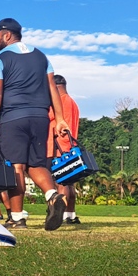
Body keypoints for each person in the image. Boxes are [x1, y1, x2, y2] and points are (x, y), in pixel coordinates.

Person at [0, 18, 69, 231]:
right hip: (40, 117)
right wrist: (59, 119)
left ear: (7, 35)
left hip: (13, 118)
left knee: (16, 167)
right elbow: (52, 87)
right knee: (36, 164)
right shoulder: (41, 56)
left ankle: (17, 217)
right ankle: (53, 195)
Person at [47, 74, 81, 224]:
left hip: (59, 146)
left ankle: (59, 214)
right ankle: (70, 215)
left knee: (60, 182)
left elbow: (49, 117)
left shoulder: (60, 101)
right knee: (69, 183)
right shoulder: (72, 102)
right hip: (69, 146)